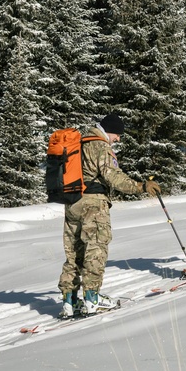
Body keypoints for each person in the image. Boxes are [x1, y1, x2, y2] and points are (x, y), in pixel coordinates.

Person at [58, 114, 160, 318]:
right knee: (96, 249)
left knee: (74, 253)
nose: (118, 139)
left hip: (71, 203)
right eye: (117, 135)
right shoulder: (101, 146)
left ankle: (70, 301)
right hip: (93, 204)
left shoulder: (78, 142)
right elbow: (113, 177)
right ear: (109, 131)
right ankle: (92, 299)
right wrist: (140, 186)